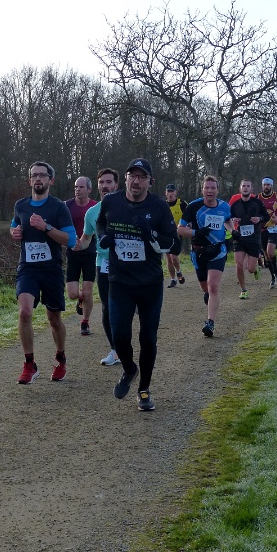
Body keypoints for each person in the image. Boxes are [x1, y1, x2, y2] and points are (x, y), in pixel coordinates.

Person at [96, 158, 179, 411]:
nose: (136, 181)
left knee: (148, 339)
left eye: (142, 177)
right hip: (120, 281)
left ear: (150, 182)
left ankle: (144, 389)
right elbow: (100, 223)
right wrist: (103, 236)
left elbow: (175, 245)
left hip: (149, 283)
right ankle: (129, 369)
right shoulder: (111, 201)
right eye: (132, 175)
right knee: (119, 335)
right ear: (126, 178)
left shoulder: (159, 207)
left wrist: (150, 233)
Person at [10, 161, 76, 384]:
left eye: (42, 175)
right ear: (29, 180)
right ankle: (29, 364)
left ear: (51, 180)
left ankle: (60, 359)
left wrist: (46, 227)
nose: (38, 179)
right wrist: (14, 232)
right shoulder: (20, 205)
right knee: (24, 312)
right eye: (34, 175)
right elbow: (14, 225)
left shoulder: (58, 207)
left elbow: (70, 240)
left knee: (53, 318)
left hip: (51, 270)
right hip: (27, 268)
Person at [178, 175, 235, 337]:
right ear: (202, 190)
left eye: (213, 188)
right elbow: (180, 229)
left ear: (217, 190)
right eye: (207, 188)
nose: (210, 191)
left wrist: (233, 231)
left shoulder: (224, 206)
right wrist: (196, 232)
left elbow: (228, 221)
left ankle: (210, 323)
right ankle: (209, 296)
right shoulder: (193, 207)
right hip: (198, 252)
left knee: (213, 286)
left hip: (218, 250)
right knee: (206, 288)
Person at [76, 168, 121, 366]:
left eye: (109, 182)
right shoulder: (92, 212)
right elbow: (87, 238)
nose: (105, 186)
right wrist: (77, 244)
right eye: (102, 182)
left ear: (116, 185)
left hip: (126, 264)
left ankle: (125, 345)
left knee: (124, 306)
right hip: (103, 263)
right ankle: (115, 350)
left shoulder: (126, 207)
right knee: (107, 307)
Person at [65, 176, 97, 335]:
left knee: (88, 291)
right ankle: (80, 298)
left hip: (90, 252)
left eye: (81, 187)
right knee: (72, 294)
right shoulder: (67, 206)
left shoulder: (95, 207)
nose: (78, 189)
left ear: (89, 189)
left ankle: (85, 322)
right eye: (76, 187)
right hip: (72, 252)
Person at [229, 180, 269, 298]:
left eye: (248, 186)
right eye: (243, 186)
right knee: (239, 265)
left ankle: (255, 269)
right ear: (240, 189)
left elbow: (266, 217)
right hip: (239, 237)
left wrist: (259, 219)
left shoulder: (257, 203)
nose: (245, 188)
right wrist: (233, 220)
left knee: (250, 269)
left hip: (254, 238)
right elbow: (228, 218)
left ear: (251, 189)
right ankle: (243, 290)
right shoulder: (235, 205)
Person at [258, 177, 277, 287]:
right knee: (266, 256)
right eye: (264, 185)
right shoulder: (258, 198)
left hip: (274, 228)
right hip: (263, 229)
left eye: (268, 185)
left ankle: (276, 275)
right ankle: (273, 276)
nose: (266, 187)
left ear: (272, 186)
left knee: (270, 251)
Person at [164, 184, 188, 287]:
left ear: (176, 192)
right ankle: (173, 279)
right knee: (169, 258)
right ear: (165, 193)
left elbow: (189, 216)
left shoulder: (182, 204)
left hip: (178, 233)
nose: (170, 194)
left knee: (174, 257)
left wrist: (187, 227)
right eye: (168, 191)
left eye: (172, 191)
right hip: (165, 235)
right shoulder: (163, 205)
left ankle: (178, 271)